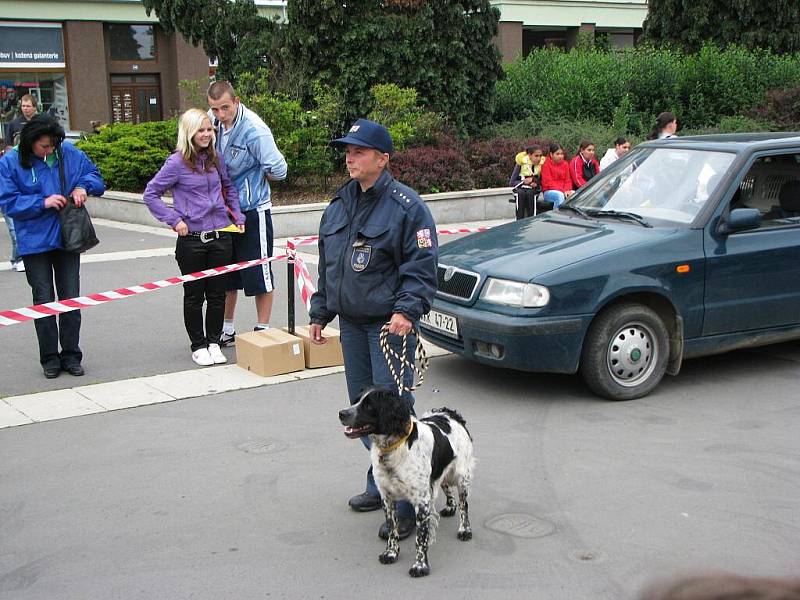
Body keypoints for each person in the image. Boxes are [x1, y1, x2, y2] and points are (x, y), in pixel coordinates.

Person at [308, 119, 438, 542]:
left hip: (389, 326)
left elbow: (421, 268)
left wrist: (407, 311)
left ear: (383, 159)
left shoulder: (406, 207)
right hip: (351, 325)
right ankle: (379, 485)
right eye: (347, 150)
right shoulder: (339, 204)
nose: (350, 158)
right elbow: (330, 266)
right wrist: (319, 311)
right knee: (363, 412)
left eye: (359, 151)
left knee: (395, 412)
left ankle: (409, 503)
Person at [0, 114, 105, 379]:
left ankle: (71, 354)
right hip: (34, 242)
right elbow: (8, 201)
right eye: (44, 146)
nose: (50, 150)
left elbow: (96, 177)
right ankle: (49, 358)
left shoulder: (67, 151)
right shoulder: (11, 162)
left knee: (70, 296)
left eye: (53, 145)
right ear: (31, 143)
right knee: (43, 299)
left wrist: (83, 185)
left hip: (67, 236)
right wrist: (41, 202)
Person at [144, 109, 245, 366]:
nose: (206, 134)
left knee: (217, 293)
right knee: (194, 294)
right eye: (200, 130)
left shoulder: (216, 159)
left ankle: (214, 341)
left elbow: (229, 187)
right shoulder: (176, 163)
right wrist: (174, 220)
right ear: (189, 133)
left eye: (209, 129)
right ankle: (198, 344)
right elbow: (151, 194)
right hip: (192, 240)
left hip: (221, 235)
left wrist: (238, 217)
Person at [206, 81, 287, 345]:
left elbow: (279, 169)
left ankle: (261, 330)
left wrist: (254, 182)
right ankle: (227, 329)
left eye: (225, 108)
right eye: (215, 109)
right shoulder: (212, 122)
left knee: (258, 272)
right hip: (223, 211)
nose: (220, 115)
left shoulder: (255, 130)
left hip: (253, 210)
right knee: (227, 273)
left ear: (237, 101)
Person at [509, 146, 544, 220]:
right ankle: (519, 220)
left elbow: (543, 181)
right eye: (536, 156)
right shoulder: (521, 164)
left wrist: (534, 181)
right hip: (521, 189)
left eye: (540, 156)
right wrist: (524, 182)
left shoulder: (542, 165)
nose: (539, 158)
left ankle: (532, 220)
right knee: (520, 194)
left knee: (530, 194)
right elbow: (512, 182)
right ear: (529, 155)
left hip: (533, 190)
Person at [540, 143, 574, 209]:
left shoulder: (565, 164)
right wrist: (563, 191)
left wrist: (567, 190)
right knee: (560, 196)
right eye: (557, 154)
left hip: (564, 190)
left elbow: (568, 181)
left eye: (561, 154)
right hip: (549, 191)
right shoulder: (546, 165)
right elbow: (548, 183)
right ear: (551, 154)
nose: (560, 156)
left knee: (576, 195)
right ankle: (558, 216)